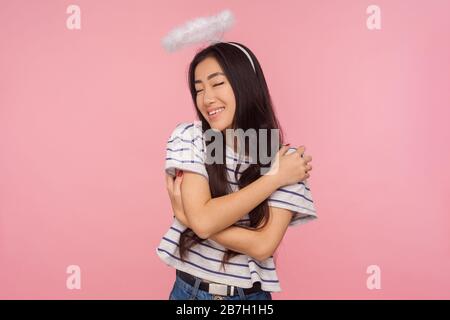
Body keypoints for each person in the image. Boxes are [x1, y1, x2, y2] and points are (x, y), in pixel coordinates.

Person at [156, 42, 317, 300]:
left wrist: (189, 219)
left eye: (217, 84)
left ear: (245, 84)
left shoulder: (287, 161)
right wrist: (274, 178)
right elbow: (204, 221)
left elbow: (263, 246)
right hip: (189, 293)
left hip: (248, 298)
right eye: (199, 90)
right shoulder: (190, 137)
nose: (207, 99)